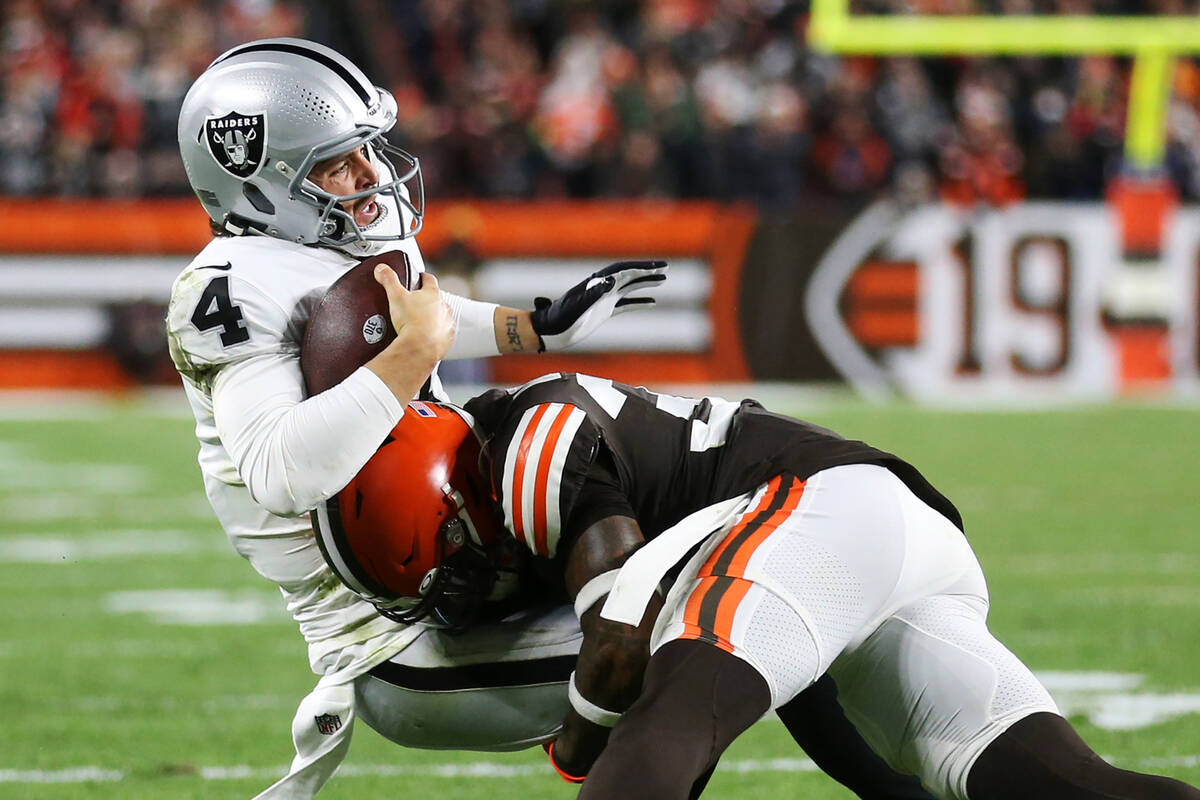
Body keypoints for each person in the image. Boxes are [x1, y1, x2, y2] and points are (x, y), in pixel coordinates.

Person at [167, 37, 666, 799]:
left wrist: (536, 328)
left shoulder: (337, 235)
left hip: (467, 558)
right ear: (258, 184)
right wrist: (413, 357)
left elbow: (404, 317)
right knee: (703, 636)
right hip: (394, 634)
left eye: (369, 149)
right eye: (338, 164)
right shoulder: (230, 288)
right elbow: (283, 472)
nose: (372, 174)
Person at [323, 373, 1200, 800]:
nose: (468, 594)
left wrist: (578, 743)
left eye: (458, 564)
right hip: (864, 554)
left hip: (822, 514)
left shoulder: (529, 449)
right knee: (1054, 786)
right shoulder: (521, 450)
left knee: (667, 713)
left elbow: (622, 643)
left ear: (458, 495)